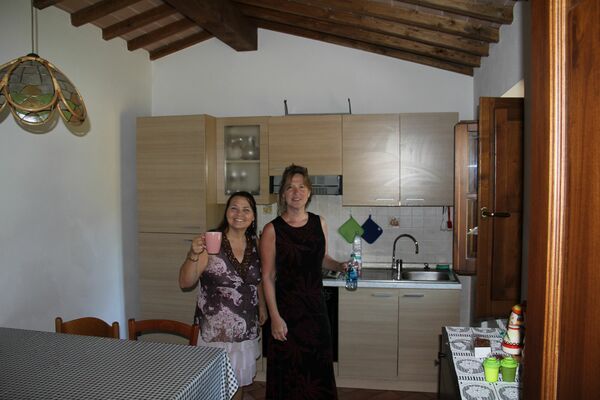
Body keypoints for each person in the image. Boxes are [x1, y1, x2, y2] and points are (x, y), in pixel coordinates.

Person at [260, 164, 347, 400]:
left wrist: (340, 265)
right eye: (290, 187)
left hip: (316, 311)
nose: (296, 192)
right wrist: (275, 317)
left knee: (318, 371)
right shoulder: (272, 230)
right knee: (288, 373)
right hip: (286, 313)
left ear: (309, 192)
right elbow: (267, 276)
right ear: (283, 194)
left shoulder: (320, 223)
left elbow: (323, 258)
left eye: (301, 187)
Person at [179, 191, 267, 400]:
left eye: (246, 210)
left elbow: (257, 280)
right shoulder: (211, 241)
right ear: (226, 212)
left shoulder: (256, 244)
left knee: (237, 383)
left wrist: (262, 306)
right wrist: (193, 254)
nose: (239, 214)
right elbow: (185, 282)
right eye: (234, 208)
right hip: (214, 331)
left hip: (245, 329)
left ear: (253, 216)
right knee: (212, 387)